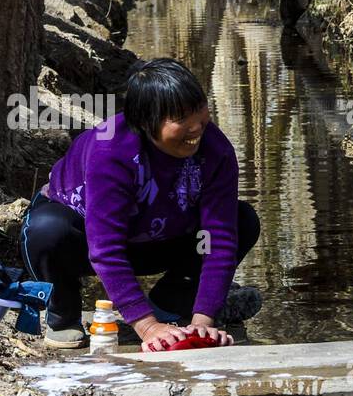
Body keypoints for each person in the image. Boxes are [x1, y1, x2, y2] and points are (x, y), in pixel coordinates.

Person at [22, 58, 261, 351]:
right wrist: (146, 328)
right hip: (85, 239)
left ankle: (169, 306)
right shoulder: (110, 150)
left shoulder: (216, 150)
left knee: (242, 220)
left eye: (200, 108)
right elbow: (105, 249)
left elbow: (218, 239)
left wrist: (203, 323)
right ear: (147, 124)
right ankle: (63, 313)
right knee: (46, 231)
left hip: (163, 238)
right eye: (181, 118)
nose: (197, 125)